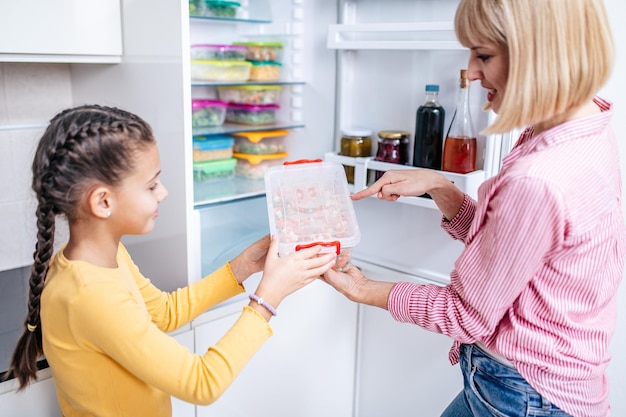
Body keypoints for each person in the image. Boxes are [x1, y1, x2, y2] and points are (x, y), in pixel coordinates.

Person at [321, 0, 624, 416]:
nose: (471, 72)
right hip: (551, 382)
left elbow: (468, 315)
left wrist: (363, 289)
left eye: (483, 55)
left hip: (521, 396)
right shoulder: (585, 128)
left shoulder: (538, 178)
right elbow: (514, 254)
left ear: (538, 50)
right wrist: (441, 188)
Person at [4, 105, 336, 417]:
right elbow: (201, 382)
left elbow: (163, 313)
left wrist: (242, 267)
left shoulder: (105, 256)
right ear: (103, 202)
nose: (162, 193)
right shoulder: (89, 296)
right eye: (151, 185)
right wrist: (268, 298)